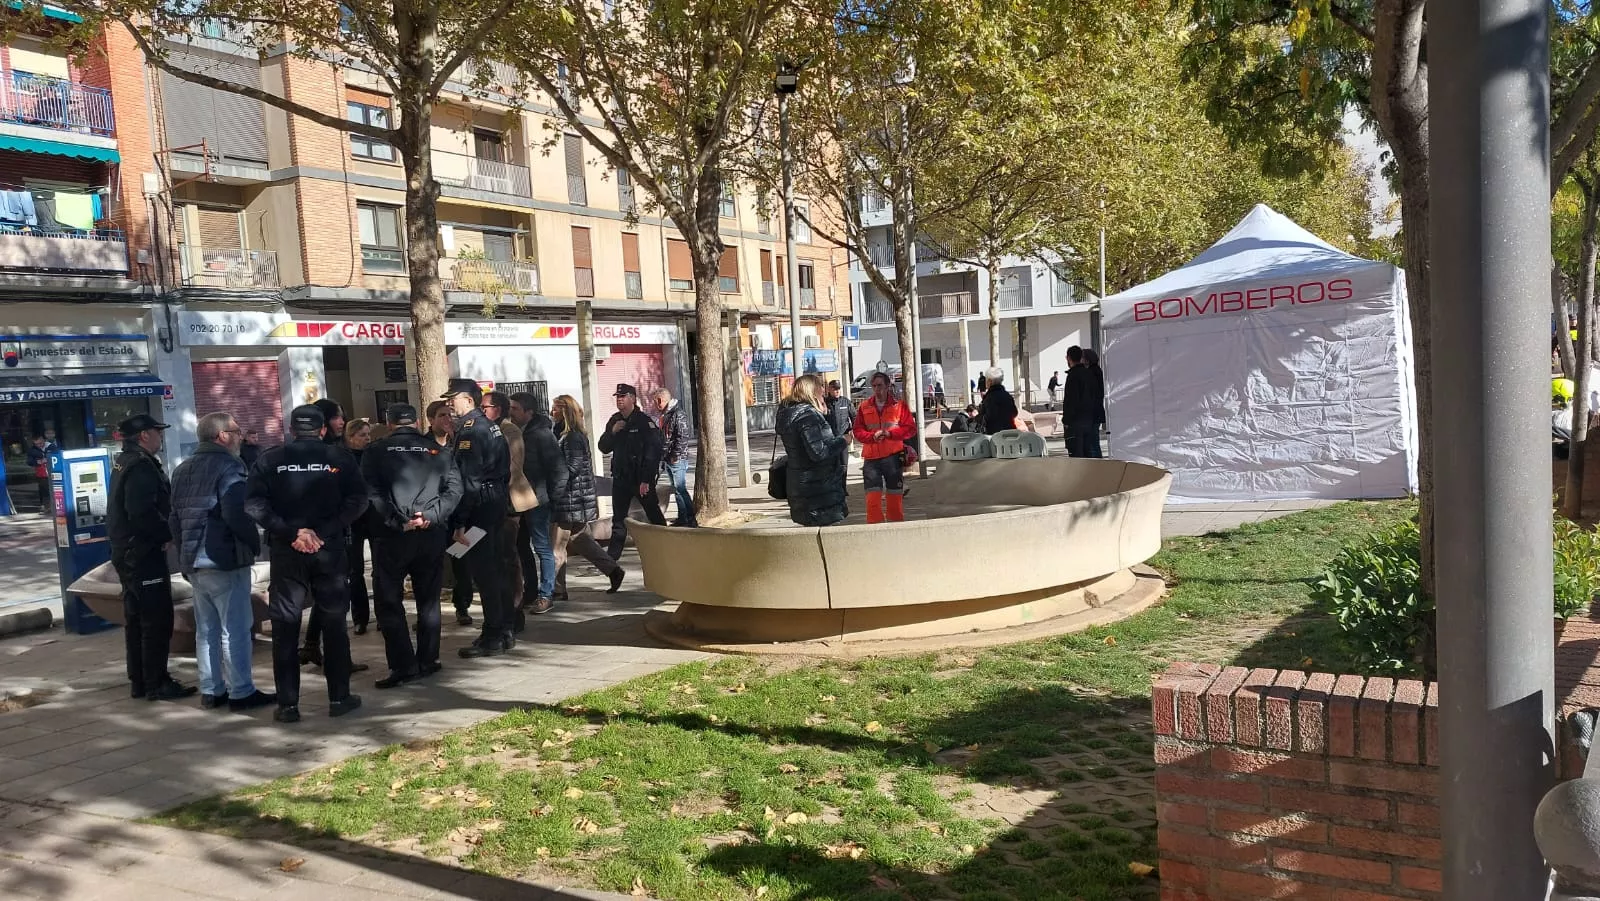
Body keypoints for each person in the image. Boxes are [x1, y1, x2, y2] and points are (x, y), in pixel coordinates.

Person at [245, 405, 367, 723]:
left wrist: (290, 533)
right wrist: (323, 532)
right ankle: (339, 698)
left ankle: (288, 705)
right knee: (334, 624)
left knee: (285, 626)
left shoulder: (270, 459)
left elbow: (254, 504)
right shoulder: (340, 458)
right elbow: (358, 500)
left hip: (288, 552)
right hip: (329, 550)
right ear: (323, 430)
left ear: (291, 429)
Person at [169, 412, 273, 712]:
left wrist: (184, 556)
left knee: (207, 630)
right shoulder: (230, 466)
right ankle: (241, 691)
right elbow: (236, 513)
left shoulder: (182, 469)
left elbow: (174, 518)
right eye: (236, 431)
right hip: (223, 559)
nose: (240, 436)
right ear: (222, 436)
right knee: (235, 629)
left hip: (194, 561)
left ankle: (211, 689)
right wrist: (253, 544)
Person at [363, 403, 462, 689]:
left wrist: (397, 520)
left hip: (392, 536)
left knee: (389, 602)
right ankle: (428, 659)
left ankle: (403, 665)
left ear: (389, 423)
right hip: (430, 534)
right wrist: (430, 516)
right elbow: (455, 490)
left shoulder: (375, 451)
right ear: (417, 422)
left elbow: (371, 492)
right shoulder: (439, 452)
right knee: (428, 600)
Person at [108, 413, 194, 702]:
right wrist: (166, 534)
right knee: (156, 620)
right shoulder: (141, 466)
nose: (161, 436)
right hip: (142, 554)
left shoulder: (125, 461)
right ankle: (156, 682)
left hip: (129, 552)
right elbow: (141, 512)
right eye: (158, 432)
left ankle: (141, 681)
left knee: (136, 619)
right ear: (144, 435)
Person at [442, 378, 515, 658]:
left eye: (453, 399)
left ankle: (493, 634)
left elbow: (470, 480)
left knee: (485, 572)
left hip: (479, 506)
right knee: (497, 568)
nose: (450, 404)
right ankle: (505, 628)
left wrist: (460, 520)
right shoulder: (489, 426)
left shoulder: (471, 431)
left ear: (469, 400)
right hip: (494, 500)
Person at [549, 394, 625, 595]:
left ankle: (554, 589)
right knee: (581, 540)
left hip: (569, 499)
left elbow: (572, 467)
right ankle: (613, 570)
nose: (552, 411)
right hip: (575, 499)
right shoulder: (561, 433)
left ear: (566, 411)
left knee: (556, 547)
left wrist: (553, 478)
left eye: (556, 408)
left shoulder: (571, 437)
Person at [598, 383, 667, 559]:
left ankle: (667, 546)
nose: (619, 400)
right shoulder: (614, 420)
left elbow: (653, 451)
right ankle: (612, 560)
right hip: (621, 478)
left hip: (640, 479)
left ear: (633, 399)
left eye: (623, 396)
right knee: (618, 520)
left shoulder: (643, 421)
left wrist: (646, 479)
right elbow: (603, 447)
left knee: (653, 514)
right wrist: (612, 432)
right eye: (617, 397)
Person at [484, 392, 533, 632]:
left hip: (510, 501)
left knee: (510, 556)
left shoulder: (509, 431)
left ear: (498, 409)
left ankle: (515, 609)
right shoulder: (488, 429)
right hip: (495, 502)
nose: (482, 411)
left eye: (486, 407)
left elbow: (512, 467)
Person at [511, 392, 561, 614]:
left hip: (539, 500)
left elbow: (558, 469)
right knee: (522, 547)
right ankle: (530, 591)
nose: (511, 412)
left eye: (515, 409)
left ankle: (546, 593)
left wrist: (552, 498)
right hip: (518, 500)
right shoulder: (513, 432)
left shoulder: (541, 435)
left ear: (528, 412)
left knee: (542, 548)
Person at [776, 375, 849, 527]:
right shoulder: (807, 416)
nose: (823, 390)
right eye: (820, 386)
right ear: (812, 390)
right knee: (825, 534)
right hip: (817, 489)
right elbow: (819, 452)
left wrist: (825, 414)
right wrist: (843, 440)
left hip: (803, 483)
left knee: (813, 531)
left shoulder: (791, 413)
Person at [429, 400, 473, 627]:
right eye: (442, 415)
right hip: (434, 516)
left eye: (450, 415)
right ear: (431, 420)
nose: (447, 419)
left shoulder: (460, 443)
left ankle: (462, 606)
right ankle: (429, 611)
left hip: (458, 515)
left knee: (461, 563)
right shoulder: (423, 446)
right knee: (431, 566)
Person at [853, 371, 915, 524]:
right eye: (874, 386)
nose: (877, 389)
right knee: (872, 496)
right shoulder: (864, 406)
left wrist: (890, 434)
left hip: (893, 456)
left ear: (888, 386)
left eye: (880, 385)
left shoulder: (899, 406)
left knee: (894, 494)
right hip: (871, 457)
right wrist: (871, 437)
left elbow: (910, 429)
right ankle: (875, 527)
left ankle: (895, 525)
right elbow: (858, 431)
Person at [652, 387, 696, 527]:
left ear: (660, 400)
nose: (654, 405)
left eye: (655, 402)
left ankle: (690, 518)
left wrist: (675, 455)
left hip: (677, 459)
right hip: (668, 458)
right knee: (676, 489)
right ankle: (683, 517)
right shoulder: (666, 415)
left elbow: (682, 436)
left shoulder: (678, 414)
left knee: (680, 489)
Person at [1062, 346, 1102, 458]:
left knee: (1077, 454)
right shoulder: (1090, 373)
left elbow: (1071, 400)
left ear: (1068, 358)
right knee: (1089, 453)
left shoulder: (1073, 375)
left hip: (1076, 421)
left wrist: (1066, 420)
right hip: (1089, 419)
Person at [976, 367, 1018, 434]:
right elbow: (1015, 412)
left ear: (990, 381)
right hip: (1010, 432)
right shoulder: (1007, 395)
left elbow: (990, 416)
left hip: (995, 435)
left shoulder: (989, 397)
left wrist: (978, 417)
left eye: (986, 380)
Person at [25, 433, 56, 515]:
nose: (39, 445)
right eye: (36, 444)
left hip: (53, 472)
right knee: (43, 490)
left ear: (43, 440)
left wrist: (48, 459)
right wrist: (37, 462)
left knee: (55, 489)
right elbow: (29, 461)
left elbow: (57, 456)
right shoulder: (32, 450)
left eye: (40, 443)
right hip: (41, 473)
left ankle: (56, 506)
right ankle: (46, 507)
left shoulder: (52, 447)